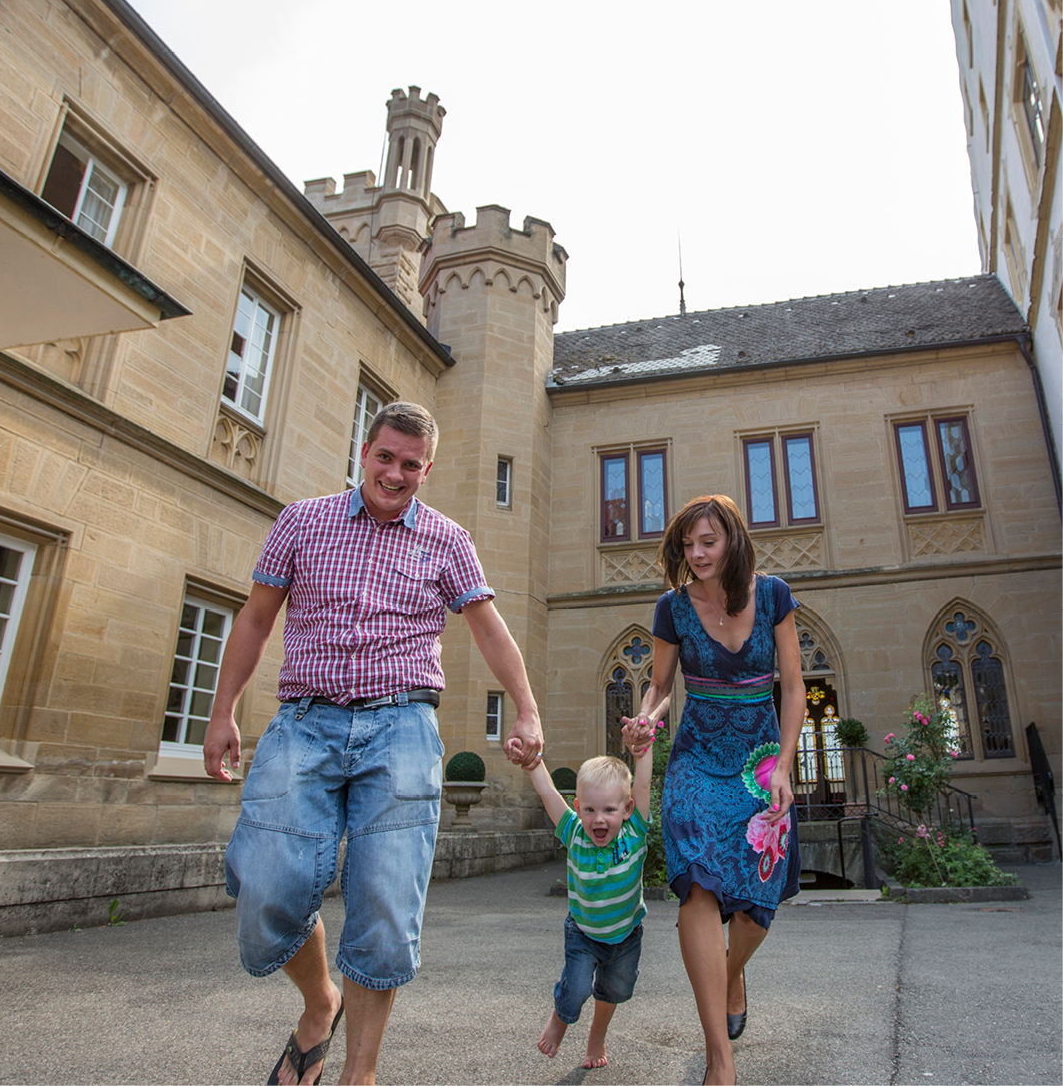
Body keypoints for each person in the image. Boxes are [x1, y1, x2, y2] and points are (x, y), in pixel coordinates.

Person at [203, 401, 543, 1086]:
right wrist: (221, 711)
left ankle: (360, 1073)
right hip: (305, 720)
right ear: (365, 451)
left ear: (427, 468)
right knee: (264, 883)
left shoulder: (446, 539)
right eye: (385, 457)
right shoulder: (302, 521)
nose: (395, 473)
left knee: (385, 909)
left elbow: (488, 628)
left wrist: (527, 709)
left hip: (401, 728)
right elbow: (255, 618)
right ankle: (319, 1001)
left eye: (410, 464)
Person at [622, 494, 805, 1086]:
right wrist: (648, 717)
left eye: (708, 542)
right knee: (697, 887)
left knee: (757, 906)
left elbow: (796, 689)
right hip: (697, 756)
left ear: (731, 541)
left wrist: (784, 765)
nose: (696, 554)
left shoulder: (774, 595)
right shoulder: (672, 608)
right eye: (687, 545)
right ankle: (719, 1062)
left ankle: (730, 972)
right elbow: (660, 685)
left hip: (759, 758)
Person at [519, 742, 659, 1070]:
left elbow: (642, 783)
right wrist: (533, 762)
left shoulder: (634, 832)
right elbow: (549, 794)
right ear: (579, 808)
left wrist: (643, 750)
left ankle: (598, 1035)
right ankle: (560, 1019)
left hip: (625, 937)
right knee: (576, 990)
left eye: (609, 810)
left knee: (615, 991)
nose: (599, 819)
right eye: (590, 810)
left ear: (626, 809)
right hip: (583, 933)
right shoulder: (574, 834)